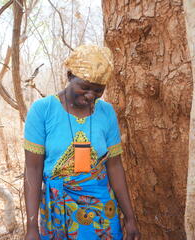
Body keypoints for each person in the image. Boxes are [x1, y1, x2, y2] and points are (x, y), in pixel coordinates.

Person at [24, 45, 140, 240]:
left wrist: (130, 218)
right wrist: (32, 227)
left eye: (98, 90)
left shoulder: (106, 112)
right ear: (70, 75)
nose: (90, 95)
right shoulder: (42, 110)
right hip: (58, 209)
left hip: (101, 210)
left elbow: (115, 166)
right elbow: (32, 170)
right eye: (84, 87)